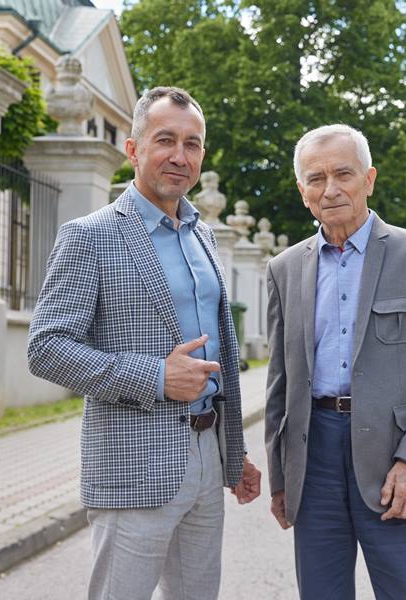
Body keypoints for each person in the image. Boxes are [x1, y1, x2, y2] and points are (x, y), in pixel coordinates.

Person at [28, 86, 261, 600]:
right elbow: (46, 347)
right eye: (165, 140)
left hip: (206, 458)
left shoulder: (202, 237)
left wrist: (233, 452)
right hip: (133, 466)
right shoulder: (89, 235)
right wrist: (155, 377)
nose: (180, 156)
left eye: (192, 144)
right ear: (133, 149)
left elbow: (219, 355)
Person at [264, 124, 406, 599]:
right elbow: (280, 382)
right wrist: (281, 476)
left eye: (343, 174)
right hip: (314, 462)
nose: (330, 189)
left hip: (395, 460)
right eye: (316, 178)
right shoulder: (283, 269)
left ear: (369, 180)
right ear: (302, 191)